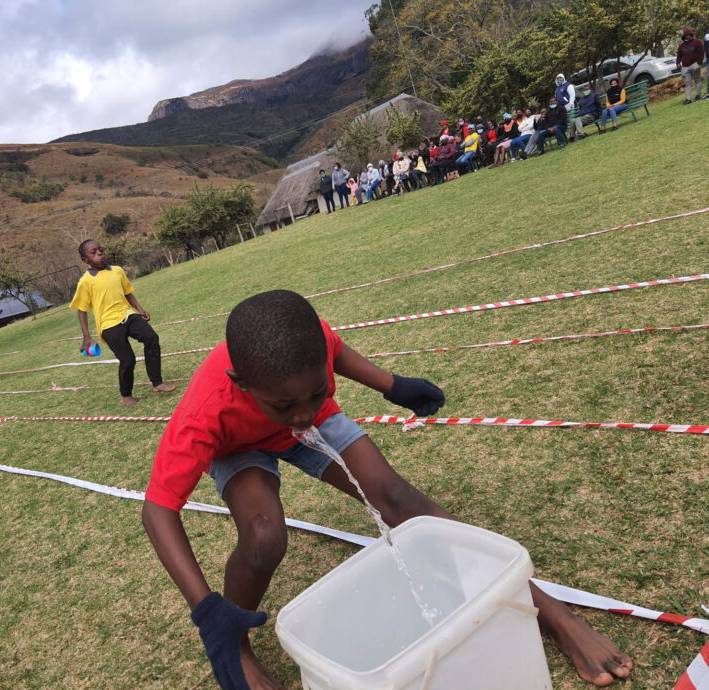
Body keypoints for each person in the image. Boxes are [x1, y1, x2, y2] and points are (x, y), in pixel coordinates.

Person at [142, 290, 635, 690]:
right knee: (265, 535)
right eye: (283, 402)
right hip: (238, 445)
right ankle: (234, 640)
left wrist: (392, 384)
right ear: (241, 382)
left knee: (401, 499)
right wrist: (207, 613)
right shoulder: (204, 412)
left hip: (314, 424)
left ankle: (555, 614)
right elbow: (158, 513)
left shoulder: (307, 356)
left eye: (316, 390)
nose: (300, 413)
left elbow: (333, 354)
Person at [71, 240, 176, 406]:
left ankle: (157, 382)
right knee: (128, 360)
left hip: (128, 315)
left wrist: (140, 309)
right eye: (94, 252)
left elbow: (127, 293)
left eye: (101, 249)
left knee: (151, 338)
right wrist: (86, 336)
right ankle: (126, 394)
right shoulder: (85, 282)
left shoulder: (117, 271)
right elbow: (81, 310)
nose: (100, 253)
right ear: (86, 260)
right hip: (108, 325)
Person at [676, 29, 705, 104]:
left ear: (691, 35)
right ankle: (688, 99)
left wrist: (699, 63)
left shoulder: (697, 42)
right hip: (685, 67)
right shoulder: (681, 46)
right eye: (686, 36)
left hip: (695, 65)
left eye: (689, 35)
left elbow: (701, 52)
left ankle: (698, 96)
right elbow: (679, 55)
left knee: (697, 81)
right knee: (687, 83)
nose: (687, 36)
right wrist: (678, 63)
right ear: (684, 37)